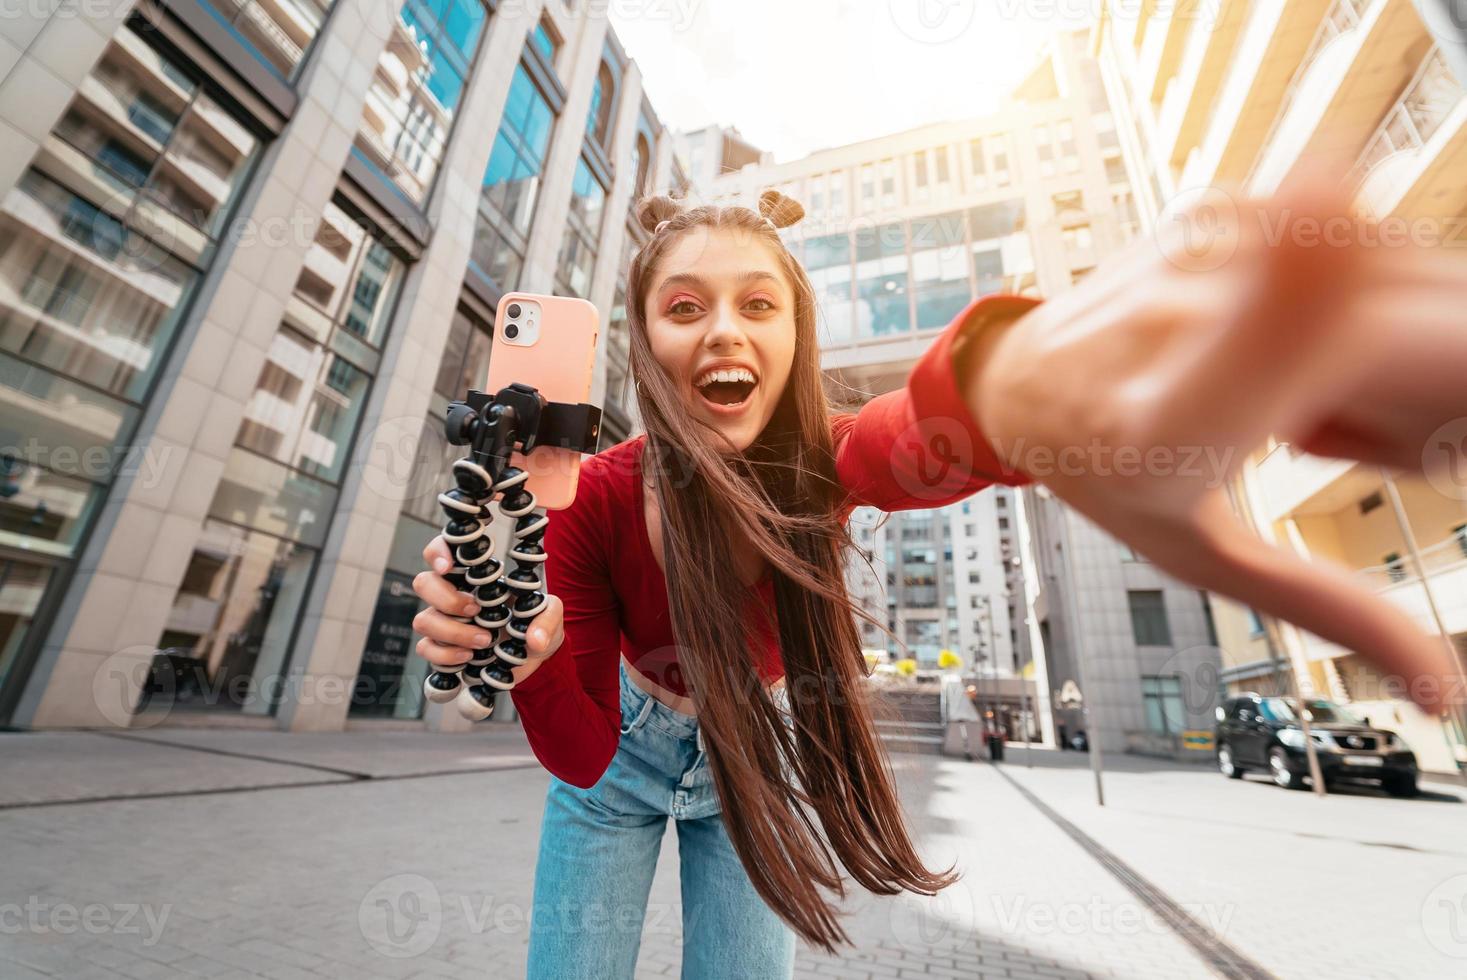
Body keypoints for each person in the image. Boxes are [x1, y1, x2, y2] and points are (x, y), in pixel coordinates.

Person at [411, 173, 1464, 977]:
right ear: (642, 340)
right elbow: (584, 756)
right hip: (622, 762)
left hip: (754, 763)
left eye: (758, 305)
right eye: (684, 307)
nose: (724, 330)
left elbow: (905, 435)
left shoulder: (824, 461)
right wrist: (535, 654)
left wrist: (1023, 379)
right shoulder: (589, 495)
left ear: (794, 333)